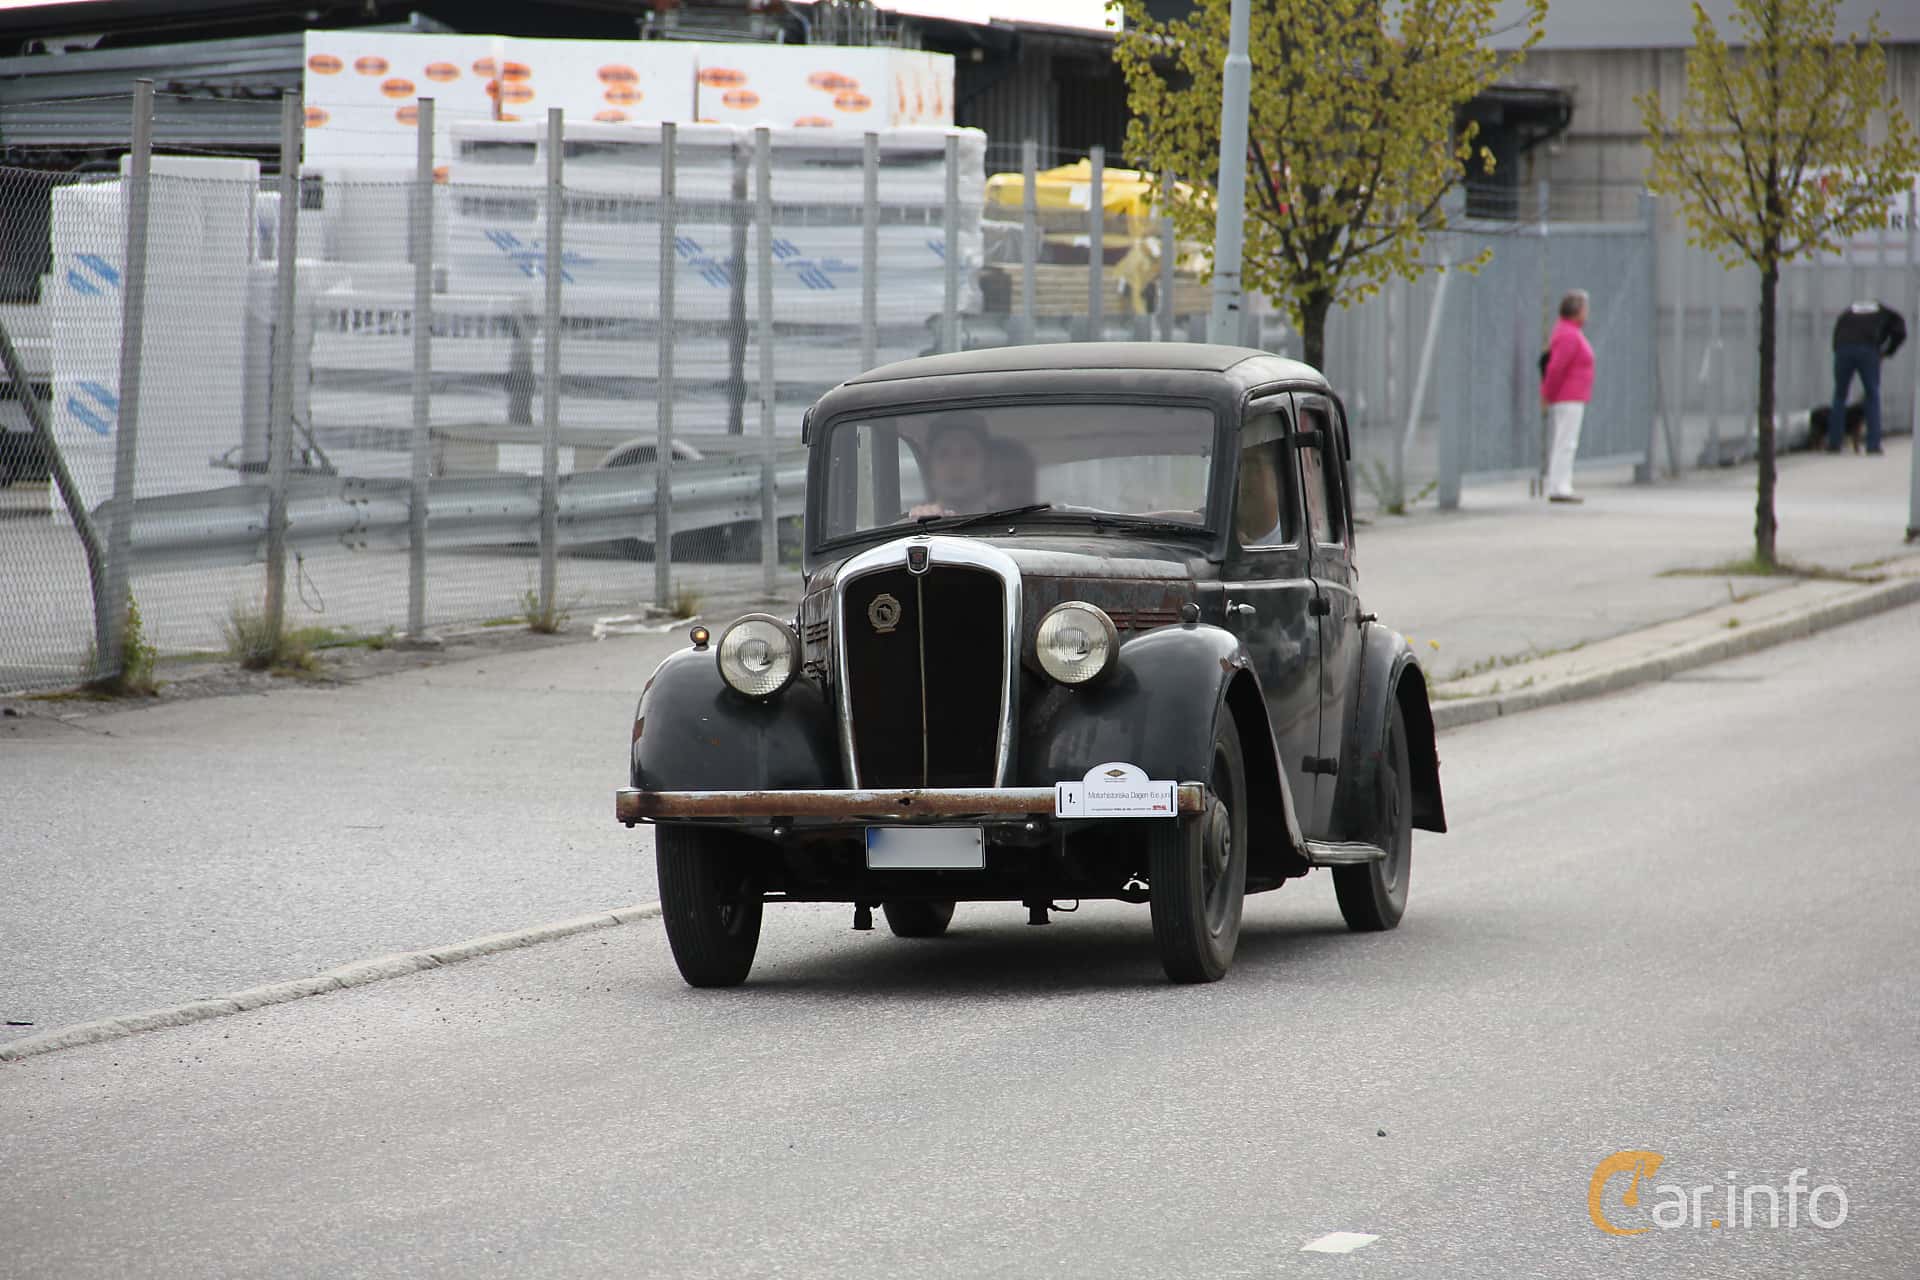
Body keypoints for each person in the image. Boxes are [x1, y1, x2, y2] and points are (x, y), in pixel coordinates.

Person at [1828, 300, 1906, 455]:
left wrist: (1839, 350)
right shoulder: (1888, 314)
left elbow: (1836, 333)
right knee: (1872, 395)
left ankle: (1834, 443)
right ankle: (1873, 445)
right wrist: (1887, 351)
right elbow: (1900, 332)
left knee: (1840, 395)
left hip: (1843, 348)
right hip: (1868, 350)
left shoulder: (1849, 310)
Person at [1540, 289, 1595, 505]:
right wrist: (1548, 393)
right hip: (1568, 395)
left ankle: (1559, 484)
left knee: (1564, 441)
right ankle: (1560, 486)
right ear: (1577, 310)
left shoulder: (1568, 331)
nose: (1587, 313)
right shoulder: (1568, 334)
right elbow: (1556, 368)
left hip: (1571, 394)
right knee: (1566, 442)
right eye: (1585, 308)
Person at [907, 412, 994, 519]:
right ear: (929, 469)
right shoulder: (911, 525)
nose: (956, 465)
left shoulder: (1008, 524)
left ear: (987, 467)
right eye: (943, 454)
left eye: (968, 454)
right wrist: (920, 525)